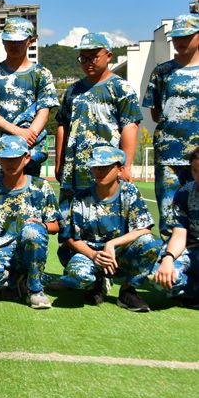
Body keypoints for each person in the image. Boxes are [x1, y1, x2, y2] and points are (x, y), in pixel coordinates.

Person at [54, 32, 141, 243]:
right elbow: (62, 126)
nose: (87, 62)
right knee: (69, 221)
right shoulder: (73, 90)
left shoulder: (121, 88)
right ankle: (73, 272)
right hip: (75, 170)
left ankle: (107, 268)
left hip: (106, 170)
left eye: (93, 56)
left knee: (105, 219)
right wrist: (59, 163)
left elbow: (130, 126)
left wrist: (125, 165)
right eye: (83, 57)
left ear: (109, 55)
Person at [51, 147, 160, 311]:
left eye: (105, 167)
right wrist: (94, 255)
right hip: (90, 254)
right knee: (77, 275)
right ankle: (96, 283)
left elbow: (144, 230)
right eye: (96, 167)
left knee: (152, 244)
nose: (99, 171)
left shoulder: (129, 192)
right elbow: (72, 237)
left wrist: (111, 244)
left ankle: (127, 290)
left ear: (120, 169)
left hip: (119, 256)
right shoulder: (82, 198)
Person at [0, 135, 60, 309]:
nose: (11, 163)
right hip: (2, 251)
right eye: (6, 159)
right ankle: (17, 281)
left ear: (26, 158)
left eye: (16, 158)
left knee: (31, 230)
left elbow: (55, 225)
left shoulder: (40, 187)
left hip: (30, 250)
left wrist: (41, 226)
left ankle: (35, 289)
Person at [0, 18, 59, 180]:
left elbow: (44, 111)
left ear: (30, 41)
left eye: (19, 41)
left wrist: (29, 135)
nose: (13, 45)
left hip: (27, 150)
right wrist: (19, 132)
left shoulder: (41, 74)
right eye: (9, 40)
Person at [142, 13, 199, 240]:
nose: (180, 41)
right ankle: (172, 265)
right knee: (169, 214)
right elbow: (156, 113)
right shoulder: (162, 72)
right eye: (176, 37)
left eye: (187, 36)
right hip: (169, 156)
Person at [152, 146, 199, 306]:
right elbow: (179, 234)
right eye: (195, 170)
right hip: (192, 248)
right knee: (159, 278)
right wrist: (168, 258)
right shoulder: (184, 193)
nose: (198, 176)